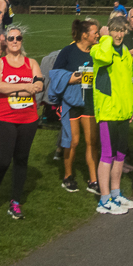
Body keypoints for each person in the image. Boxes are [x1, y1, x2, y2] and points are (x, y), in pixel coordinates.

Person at [0, 29, 42, 220]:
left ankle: (15, 201)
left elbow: (39, 86)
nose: (15, 41)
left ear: (21, 41)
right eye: (11, 38)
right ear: (6, 42)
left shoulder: (32, 63)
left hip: (28, 119)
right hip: (4, 118)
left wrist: (18, 89)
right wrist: (25, 87)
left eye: (18, 38)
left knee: (21, 159)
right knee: (3, 161)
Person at [90, 15, 133, 215]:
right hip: (108, 111)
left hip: (123, 111)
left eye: (121, 30)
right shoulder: (100, 48)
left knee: (120, 156)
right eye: (115, 30)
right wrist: (106, 38)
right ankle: (104, 199)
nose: (118, 34)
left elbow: (128, 81)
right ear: (109, 30)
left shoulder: (125, 52)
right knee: (107, 155)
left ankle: (116, 194)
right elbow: (104, 58)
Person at [50, 20, 99, 195]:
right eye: (95, 32)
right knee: (73, 141)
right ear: (84, 34)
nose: (98, 35)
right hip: (71, 101)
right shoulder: (68, 51)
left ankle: (93, 180)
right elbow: (55, 74)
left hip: (90, 102)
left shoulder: (97, 51)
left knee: (92, 141)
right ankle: (68, 176)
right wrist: (73, 78)